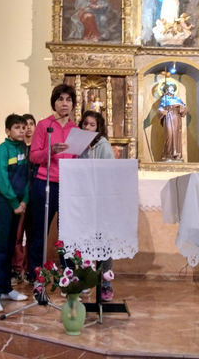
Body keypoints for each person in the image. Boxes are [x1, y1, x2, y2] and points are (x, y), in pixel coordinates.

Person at [28, 84, 78, 294]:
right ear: (54, 102)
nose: (64, 103)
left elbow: (75, 158)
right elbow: (33, 156)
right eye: (60, 99)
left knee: (66, 235)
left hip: (67, 186)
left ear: (73, 104)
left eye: (68, 99)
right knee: (40, 232)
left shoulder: (76, 130)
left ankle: (68, 277)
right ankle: (37, 275)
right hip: (45, 184)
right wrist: (50, 151)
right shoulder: (44, 125)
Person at [0, 114, 29, 312]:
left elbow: (27, 178)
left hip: (18, 204)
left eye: (24, 127)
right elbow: (0, 177)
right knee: (0, 247)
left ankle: (4, 288)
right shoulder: (2, 150)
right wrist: (13, 201)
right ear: (8, 131)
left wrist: (24, 201)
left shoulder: (23, 149)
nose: (22, 130)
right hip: (4, 202)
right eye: (17, 127)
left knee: (11, 246)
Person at [78, 110, 115, 302]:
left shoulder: (103, 145)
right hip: (83, 200)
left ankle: (105, 282)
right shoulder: (79, 145)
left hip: (101, 200)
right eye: (85, 124)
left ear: (99, 128)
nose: (87, 128)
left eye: (92, 125)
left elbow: (109, 172)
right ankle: (85, 278)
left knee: (103, 241)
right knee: (84, 241)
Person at [10, 114, 36, 286]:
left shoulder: (37, 147)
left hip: (34, 196)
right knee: (17, 235)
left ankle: (30, 269)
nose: (27, 128)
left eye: (31, 124)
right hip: (19, 198)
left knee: (32, 235)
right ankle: (16, 269)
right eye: (24, 125)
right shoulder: (16, 148)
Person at [157, 83, 187, 162]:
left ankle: (176, 154)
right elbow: (160, 109)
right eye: (169, 88)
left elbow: (185, 108)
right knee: (169, 135)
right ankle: (168, 154)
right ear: (166, 90)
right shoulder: (164, 99)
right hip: (168, 116)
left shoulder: (178, 99)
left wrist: (180, 106)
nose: (171, 90)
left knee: (176, 135)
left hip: (176, 117)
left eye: (172, 88)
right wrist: (162, 111)